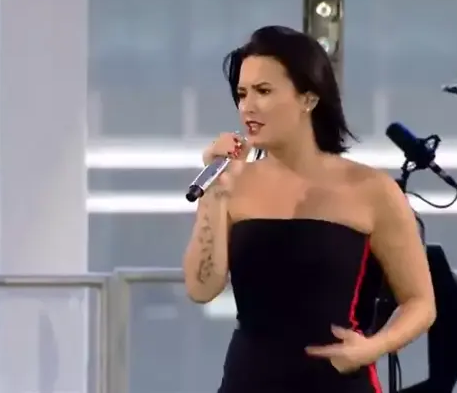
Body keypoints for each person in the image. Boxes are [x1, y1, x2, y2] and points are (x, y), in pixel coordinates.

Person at [180, 25, 436, 393]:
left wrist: (372, 348)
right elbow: (202, 288)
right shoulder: (232, 183)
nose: (248, 106)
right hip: (249, 380)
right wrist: (215, 193)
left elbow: (421, 302)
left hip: (337, 381)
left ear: (309, 98)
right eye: (242, 94)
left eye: (264, 91)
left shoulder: (372, 189)